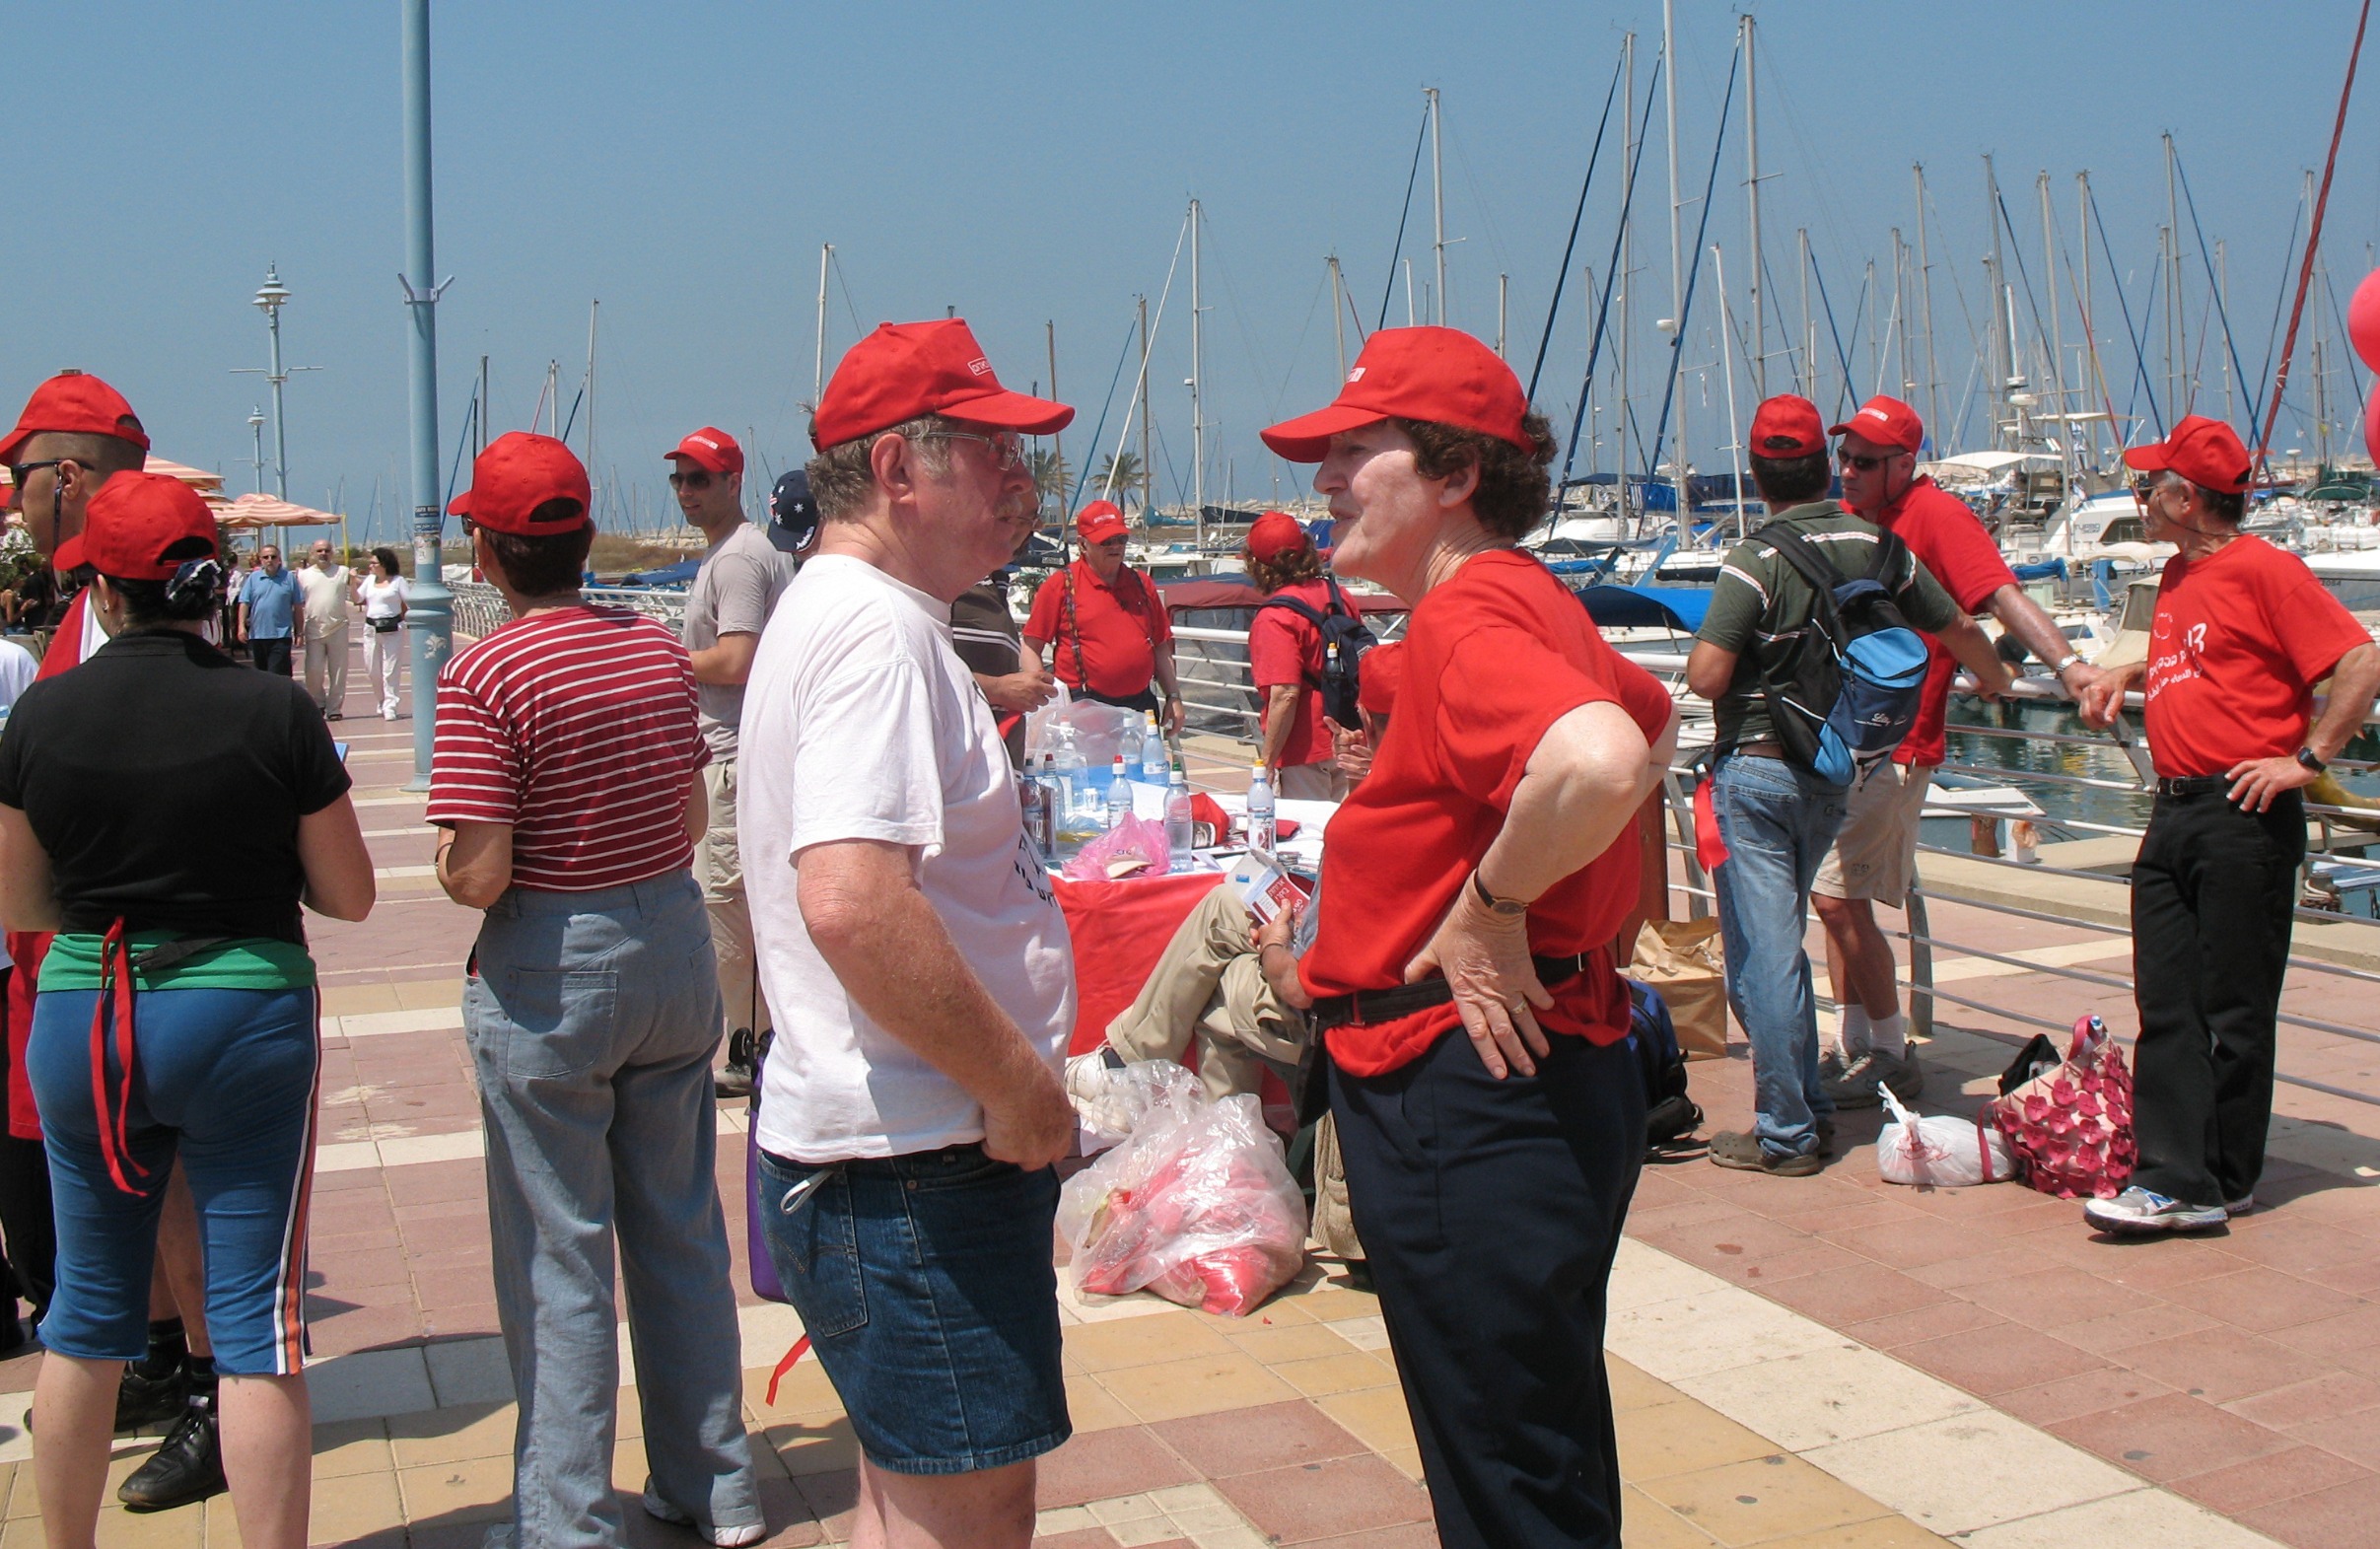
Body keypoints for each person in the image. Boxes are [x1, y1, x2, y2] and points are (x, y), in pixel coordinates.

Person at [1253, 326, 1677, 1548]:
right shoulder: (1528, 599)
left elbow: (1597, 756)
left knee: (1504, 1475)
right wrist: (1571, 914)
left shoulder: (1467, 609)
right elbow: (1643, 727)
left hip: (1466, 1090)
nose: (1323, 480)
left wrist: (1492, 910)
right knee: (1531, 1443)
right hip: (1543, 1070)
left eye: (1353, 451)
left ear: (1453, 475)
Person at [741, 318, 1078, 1549]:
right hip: (918, 1161)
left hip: (887, 1155)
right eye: (989, 456)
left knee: (905, 1489)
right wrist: (1019, 1089)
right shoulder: (878, 634)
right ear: (897, 471)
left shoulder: (851, 614)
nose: (1019, 487)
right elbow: (852, 902)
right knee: (968, 1510)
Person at [0, 469, 375, 1549]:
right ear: (210, 582)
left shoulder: (42, 714)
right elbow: (349, 894)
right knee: (258, 1324)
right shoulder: (274, 710)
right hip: (243, 1013)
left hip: (90, 1015)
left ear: (104, 593)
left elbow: (21, 898)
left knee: (82, 1315)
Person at [428, 432, 759, 1547]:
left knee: (557, 1251)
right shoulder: (654, 649)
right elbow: (687, 817)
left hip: (553, 969)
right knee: (678, 1225)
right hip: (666, 942)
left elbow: (477, 865)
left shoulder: (484, 672)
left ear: (484, 550)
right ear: (577, 537)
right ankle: (716, 1484)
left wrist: (451, 865)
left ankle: (566, 1516)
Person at [1686, 394, 2013, 1176]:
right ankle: (1811, 1104)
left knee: (1765, 955)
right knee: (1786, 941)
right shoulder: (1880, 547)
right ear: (1827, 468)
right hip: (1834, 770)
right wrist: (1997, 677)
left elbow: (1706, 675)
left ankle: (1788, 1133)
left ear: (1760, 472)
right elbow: (1959, 629)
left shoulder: (1755, 556)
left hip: (1758, 769)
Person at [2076, 416, 2380, 1233]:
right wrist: (2128, 668)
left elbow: (2361, 660)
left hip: (2243, 810)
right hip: (2173, 808)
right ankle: (2186, 1172)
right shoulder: (2179, 574)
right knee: (2167, 1000)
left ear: (2185, 496)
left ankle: (2207, 1178)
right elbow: (2208, 658)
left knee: (2233, 1007)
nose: (2139, 497)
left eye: (2150, 486)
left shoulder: (2263, 568)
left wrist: (2308, 760)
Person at [2, 372, 227, 1469]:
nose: (16, 498)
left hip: (135, 974)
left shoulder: (120, 623)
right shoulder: (91, 605)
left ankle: (205, 1384)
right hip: (97, 971)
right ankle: (165, 1360)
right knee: (137, 1190)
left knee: (173, 1189)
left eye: (21, 476)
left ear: (72, 477)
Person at [1814, 396, 2109, 1108]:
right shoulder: (1858, 517)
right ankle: (1855, 1041)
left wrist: (2068, 666)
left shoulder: (1938, 515)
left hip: (1897, 744)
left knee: (1835, 898)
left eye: (1864, 461)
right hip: (1844, 740)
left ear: (1905, 464)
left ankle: (1887, 1048)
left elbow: (1999, 595)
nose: (1847, 471)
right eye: (1843, 457)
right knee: (1837, 900)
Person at [670, 426, 797, 1101]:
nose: (687, 492)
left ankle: (752, 1046)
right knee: (740, 903)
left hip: (732, 757)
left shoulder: (739, 560)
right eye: (679, 479)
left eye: (699, 479)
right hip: (734, 754)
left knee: (727, 905)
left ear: (731, 482)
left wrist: (660, 662)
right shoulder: (736, 553)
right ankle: (759, 1039)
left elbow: (735, 658)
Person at [1022, 500, 1183, 733]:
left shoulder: (1141, 583)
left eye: (1121, 539)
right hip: (1084, 708)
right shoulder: (1061, 585)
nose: (1115, 546)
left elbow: (1160, 646)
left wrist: (1174, 696)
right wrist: (1044, 703)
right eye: (1106, 541)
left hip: (1140, 705)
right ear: (1083, 545)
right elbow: (1031, 646)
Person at [1244, 510, 1354, 801]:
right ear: (1306, 548)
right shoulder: (1339, 595)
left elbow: (1285, 694)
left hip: (1305, 748)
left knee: (1310, 836)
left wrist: (1266, 762)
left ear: (1256, 563)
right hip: (1350, 736)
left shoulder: (1276, 617)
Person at [953, 522, 1057, 768]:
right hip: (963, 770)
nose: (1032, 526)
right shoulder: (939, 581)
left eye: (1032, 520)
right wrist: (998, 688)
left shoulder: (993, 580)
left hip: (998, 763)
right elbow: (918, 671)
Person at [298, 538, 352, 718]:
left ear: (332, 552)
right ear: (312, 553)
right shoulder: (303, 575)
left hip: (339, 627)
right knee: (313, 670)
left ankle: (334, 708)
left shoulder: (342, 572)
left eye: (327, 550)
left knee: (338, 671)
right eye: (319, 551)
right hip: (313, 628)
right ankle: (318, 703)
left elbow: (359, 596)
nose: (323, 554)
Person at [357, 546, 409, 720]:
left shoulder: (398, 581)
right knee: (372, 669)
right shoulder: (369, 581)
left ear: (384, 564)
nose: (370, 566)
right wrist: (351, 582)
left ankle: (390, 705)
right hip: (371, 629)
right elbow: (357, 599)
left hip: (393, 628)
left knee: (390, 669)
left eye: (374, 563)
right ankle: (381, 699)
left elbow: (409, 602)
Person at [237, 546, 300, 676]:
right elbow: (244, 603)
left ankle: (283, 696)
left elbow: (297, 606)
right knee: (262, 674)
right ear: (261, 560)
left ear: (279, 559)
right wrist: (241, 626)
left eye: (273, 557)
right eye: (266, 557)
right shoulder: (253, 578)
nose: (270, 560)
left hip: (281, 636)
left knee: (278, 673)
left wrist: (299, 632)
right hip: (258, 635)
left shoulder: (289, 578)